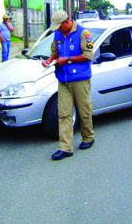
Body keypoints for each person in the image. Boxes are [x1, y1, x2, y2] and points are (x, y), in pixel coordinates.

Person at [41, 11, 94, 161]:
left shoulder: (84, 33)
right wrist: (48, 60)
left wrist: (68, 60)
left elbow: (89, 55)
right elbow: (54, 52)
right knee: (64, 114)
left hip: (80, 79)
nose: (57, 30)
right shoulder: (57, 34)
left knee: (84, 111)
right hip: (63, 80)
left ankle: (88, 137)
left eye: (59, 26)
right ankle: (65, 148)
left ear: (66, 22)